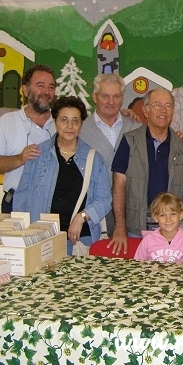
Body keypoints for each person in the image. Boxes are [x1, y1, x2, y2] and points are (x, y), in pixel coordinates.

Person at [13, 96, 112, 255]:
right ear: (55, 122)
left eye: (75, 121)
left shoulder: (94, 159)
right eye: (64, 120)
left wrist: (82, 217)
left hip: (80, 241)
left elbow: (105, 199)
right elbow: (22, 197)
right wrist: (21, 235)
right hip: (42, 240)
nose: (69, 126)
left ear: (81, 125)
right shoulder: (37, 154)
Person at [110, 88, 183, 255]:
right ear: (145, 111)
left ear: (172, 112)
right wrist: (120, 227)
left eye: (168, 106)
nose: (163, 110)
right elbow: (118, 185)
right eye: (157, 105)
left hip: (175, 231)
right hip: (136, 228)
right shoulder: (129, 142)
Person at [0, 64, 57, 213]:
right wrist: (20, 159)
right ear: (25, 90)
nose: (46, 91)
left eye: (51, 87)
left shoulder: (62, 124)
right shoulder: (8, 121)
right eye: (40, 86)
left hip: (54, 204)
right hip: (16, 203)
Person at [79, 73, 141, 237]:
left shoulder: (136, 126)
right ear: (95, 97)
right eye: (105, 96)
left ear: (122, 99)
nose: (111, 102)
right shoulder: (81, 130)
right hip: (95, 208)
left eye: (116, 96)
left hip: (131, 207)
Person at [134, 192, 183, 263]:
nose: (168, 219)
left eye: (173, 214)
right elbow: (138, 265)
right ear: (155, 218)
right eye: (162, 215)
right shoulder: (147, 241)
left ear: (181, 215)